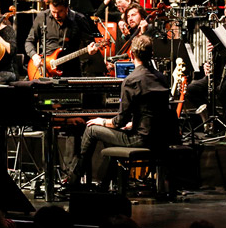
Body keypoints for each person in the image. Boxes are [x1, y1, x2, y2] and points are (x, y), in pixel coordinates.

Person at [71, 35, 174, 186]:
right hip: (160, 138)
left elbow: (119, 121)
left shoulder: (132, 80)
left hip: (140, 139)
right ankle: (105, 183)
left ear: (131, 54)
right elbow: (155, 112)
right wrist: (135, 124)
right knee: (111, 136)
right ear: (151, 54)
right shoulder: (162, 77)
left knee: (91, 129)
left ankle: (74, 182)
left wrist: (103, 121)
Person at [25, 0, 98, 78]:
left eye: (60, 12)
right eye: (53, 12)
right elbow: (29, 42)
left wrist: (92, 50)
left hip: (71, 71)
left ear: (67, 8)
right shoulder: (42, 17)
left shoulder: (79, 19)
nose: (56, 15)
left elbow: (90, 43)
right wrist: (34, 56)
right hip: (45, 70)